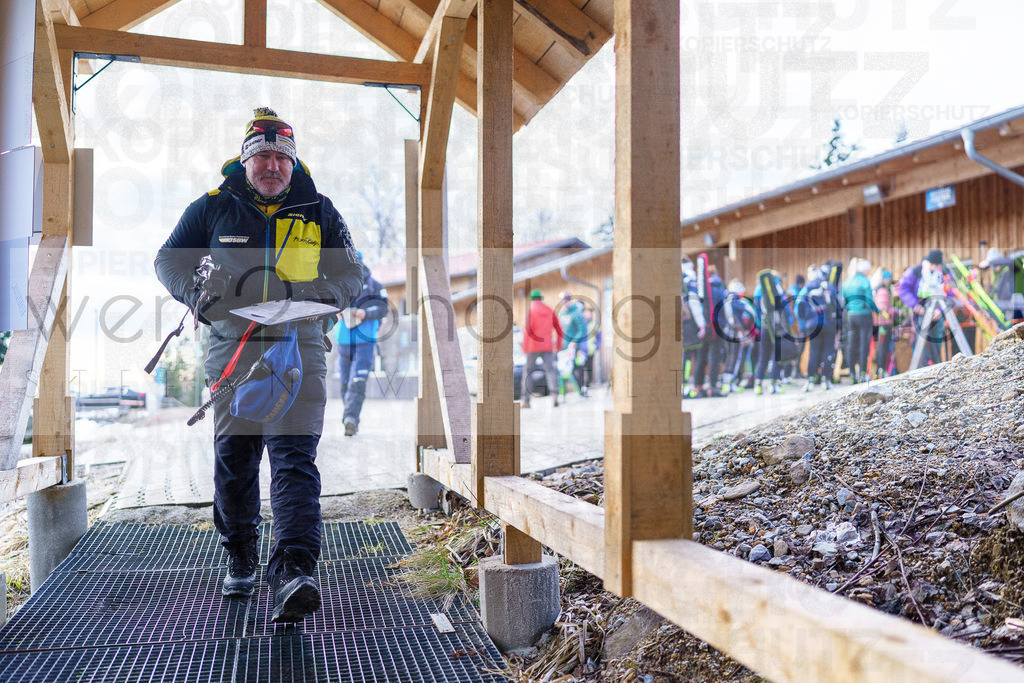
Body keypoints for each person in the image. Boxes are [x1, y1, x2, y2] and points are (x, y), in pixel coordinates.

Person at [155, 107, 364, 623]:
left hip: (299, 346)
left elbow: (354, 272)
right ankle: (241, 557)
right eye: (263, 156)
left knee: (293, 458)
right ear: (246, 160)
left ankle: (294, 572)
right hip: (232, 348)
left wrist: (327, 294)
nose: (273, 166)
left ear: (293, 163)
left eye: (281, 158)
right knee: (236, 460)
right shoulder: (213, 207)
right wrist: (198, 297)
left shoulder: (319, 208)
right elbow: (168, 259)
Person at [335, 254, 388, 436]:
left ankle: (350, 418)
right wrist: (338, 312)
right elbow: (331, 305)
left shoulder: (375, 286)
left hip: (365, 341)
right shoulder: (339, 283)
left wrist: (364, 313)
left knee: (357, 381)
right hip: (343, 340)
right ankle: (351, 417)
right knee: (344, 384)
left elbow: (383, 308)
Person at [898, 249, 953, 367]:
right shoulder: (916, 271)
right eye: (932, 265)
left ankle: (936, 365)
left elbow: (950, 292)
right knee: (921, 342)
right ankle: (920, 367)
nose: (934, 268)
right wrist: (915, 306)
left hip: (937, 311)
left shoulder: (944, 273)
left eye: (936, 265)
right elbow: (903, 289)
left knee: (937, 341)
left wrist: (941, 311)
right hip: (920, 312)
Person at [797, 264, 841, 391]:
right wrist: (838, 324)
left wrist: (805, 318)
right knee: (828, 350)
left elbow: (800, 303)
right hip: (829, 324)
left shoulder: (808, 286)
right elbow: (838, 306)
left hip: (813, 324)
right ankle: (826, 380)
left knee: (814, 351)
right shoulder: (830, 287)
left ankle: (811, 379)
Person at [688, 264, 727, 397]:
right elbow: (725, 308)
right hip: (718, 326)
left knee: (700, 357)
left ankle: (698, 387)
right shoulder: (720, 287)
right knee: (715, 358)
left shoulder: (700, 288)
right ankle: (713, 387)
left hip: (704, 327)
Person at [521, 289, 563, 408]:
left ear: (532, 299)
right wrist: (558, 345)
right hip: (547, 346)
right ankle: (555, 396)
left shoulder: (531, 310)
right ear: (541, 298)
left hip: (532, 346)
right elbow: (559, 329)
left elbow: (527, 330)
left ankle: (526, 400)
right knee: (550, 370)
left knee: (528, 372)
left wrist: (525, 347)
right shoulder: (549, 310)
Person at [842, 259, 879, 383]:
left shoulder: (847, 282)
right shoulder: (864, 281)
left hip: (851, 315)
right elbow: (869, 300)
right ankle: (863, 373)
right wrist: (877, 310)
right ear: (864, 270)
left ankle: (852, 373)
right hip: (864, 315)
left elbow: (845, 300)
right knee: (864, 345)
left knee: (852, 344)